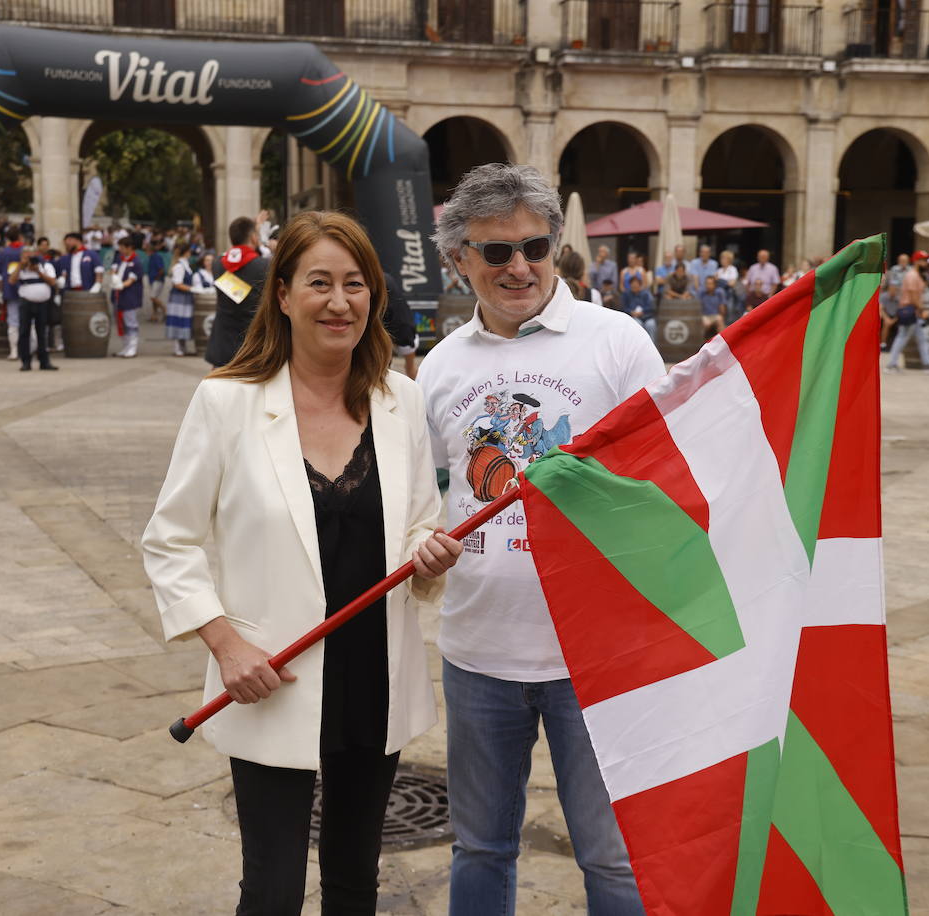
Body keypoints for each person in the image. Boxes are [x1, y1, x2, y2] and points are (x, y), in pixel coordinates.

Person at [141, 210, 460, 915]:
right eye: (319, 282)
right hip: (271, 676)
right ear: (281, 294)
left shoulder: (400, 402)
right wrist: (226, 645)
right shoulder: (226, 402)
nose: (339, 301)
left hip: (374, 675)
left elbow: (416, 529)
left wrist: (430, 555)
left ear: (373, 298)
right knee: (273, 891)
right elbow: (170, 540)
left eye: (355, 284)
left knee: (355, 882)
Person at [421, 163, 662, 916]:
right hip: (478, 653)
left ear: (556, 244)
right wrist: (421, 545)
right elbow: (424, 500)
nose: (518, 267)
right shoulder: (438, 368)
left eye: (535, 246)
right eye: (496, 252)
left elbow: (667, 482)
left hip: (595, 655)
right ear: (460, 259)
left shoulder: (617, 343)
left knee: (614, 860)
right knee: (480, 848)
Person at [206, 216, 270, 368]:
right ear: (254, 238)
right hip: (253, 341)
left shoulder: (217, 264)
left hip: (222, 340)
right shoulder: (264, 265)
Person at [884, 254, 929, 373]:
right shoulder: (912, 276)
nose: (926, 263)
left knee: (922, 338)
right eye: (924, 261)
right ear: (917, 261)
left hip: (912, 311)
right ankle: (891, 365)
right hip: (909, 310)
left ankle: (928, 364)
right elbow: (914, 298)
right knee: (902, 337)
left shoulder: (916, 275)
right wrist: (923, 310)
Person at [14, 244, 58, 371]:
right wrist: (20, 266)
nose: (29, 258)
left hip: (42, 303)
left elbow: (52, 282)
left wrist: (38, 271)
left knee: (42, 332)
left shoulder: (46, 266)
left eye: (31, 255)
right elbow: (11, 280)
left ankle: (44, 361)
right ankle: (25, 361)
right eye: (25, 255)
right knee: (24, 332)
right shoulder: (19, 267)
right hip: (26, 302)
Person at [0, 227, 26, 360]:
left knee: (12, 321)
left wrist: (0, 289)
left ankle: (14, 350)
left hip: (9, 289)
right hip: (26, 289)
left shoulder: (3, 252)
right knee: (28, 320)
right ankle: (28, 349)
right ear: (19, 236)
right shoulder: (26, 251)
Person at [111, 234, 144, 358]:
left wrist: (121, 285)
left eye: (122, 247)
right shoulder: (120, 259)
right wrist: (114, 278)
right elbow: (113, 271)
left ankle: (132, 347)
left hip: (130, 295)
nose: (120, 250)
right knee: (121, 322)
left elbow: (131, 280)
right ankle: (125, 346)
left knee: (130, 321)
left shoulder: (136, 262)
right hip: (118, 295)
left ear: (129, 247)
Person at [383, 273, 420, 380]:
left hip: (397, 328)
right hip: (404, 324)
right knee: (410, 368)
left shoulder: (380, 280)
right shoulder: (387, 277)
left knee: (385, 370)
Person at [165, 252, 197, 357]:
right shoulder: (179, 266)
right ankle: (178, 348)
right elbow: (177, 284)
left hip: (185, 297)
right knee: (178, 321)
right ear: (187, 252)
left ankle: (183, 347)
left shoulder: (185, 265)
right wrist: (192, 288)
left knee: (185, 321)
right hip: (179, 298)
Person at [621, 273, 656, 342]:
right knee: (637, 324)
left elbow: (651, 307)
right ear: (630, 285)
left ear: (640, 285)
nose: (634, 286)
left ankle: (652, 348)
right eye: (632, 285)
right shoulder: (626, 294)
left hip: (646, 316)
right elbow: (623, 308)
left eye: (636, 285)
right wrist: (631, 312)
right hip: (633, 317)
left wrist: (642, 312)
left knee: (651, 325)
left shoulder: (646, 294)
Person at [146, 239, 169, 323]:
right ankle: (154, 315)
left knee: (153, 297)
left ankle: (165, 310)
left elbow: (161, 269)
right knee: (154, 297)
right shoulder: (152, 257)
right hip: (153, 280)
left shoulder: (156, 256)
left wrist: (157, 277)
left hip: (157, 280)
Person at [698, 273, 724, 339]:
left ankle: (722, 342)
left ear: (714, 285)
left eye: (710, 284)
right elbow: (698, 307)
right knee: (705, 323)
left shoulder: (719, 293)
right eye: (707, 283)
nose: (708, 285)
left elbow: (722, 308)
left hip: (715, 315)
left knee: (720, 320)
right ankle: (702, 345)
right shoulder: (702, 293)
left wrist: (721, 315)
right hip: (705, 316)